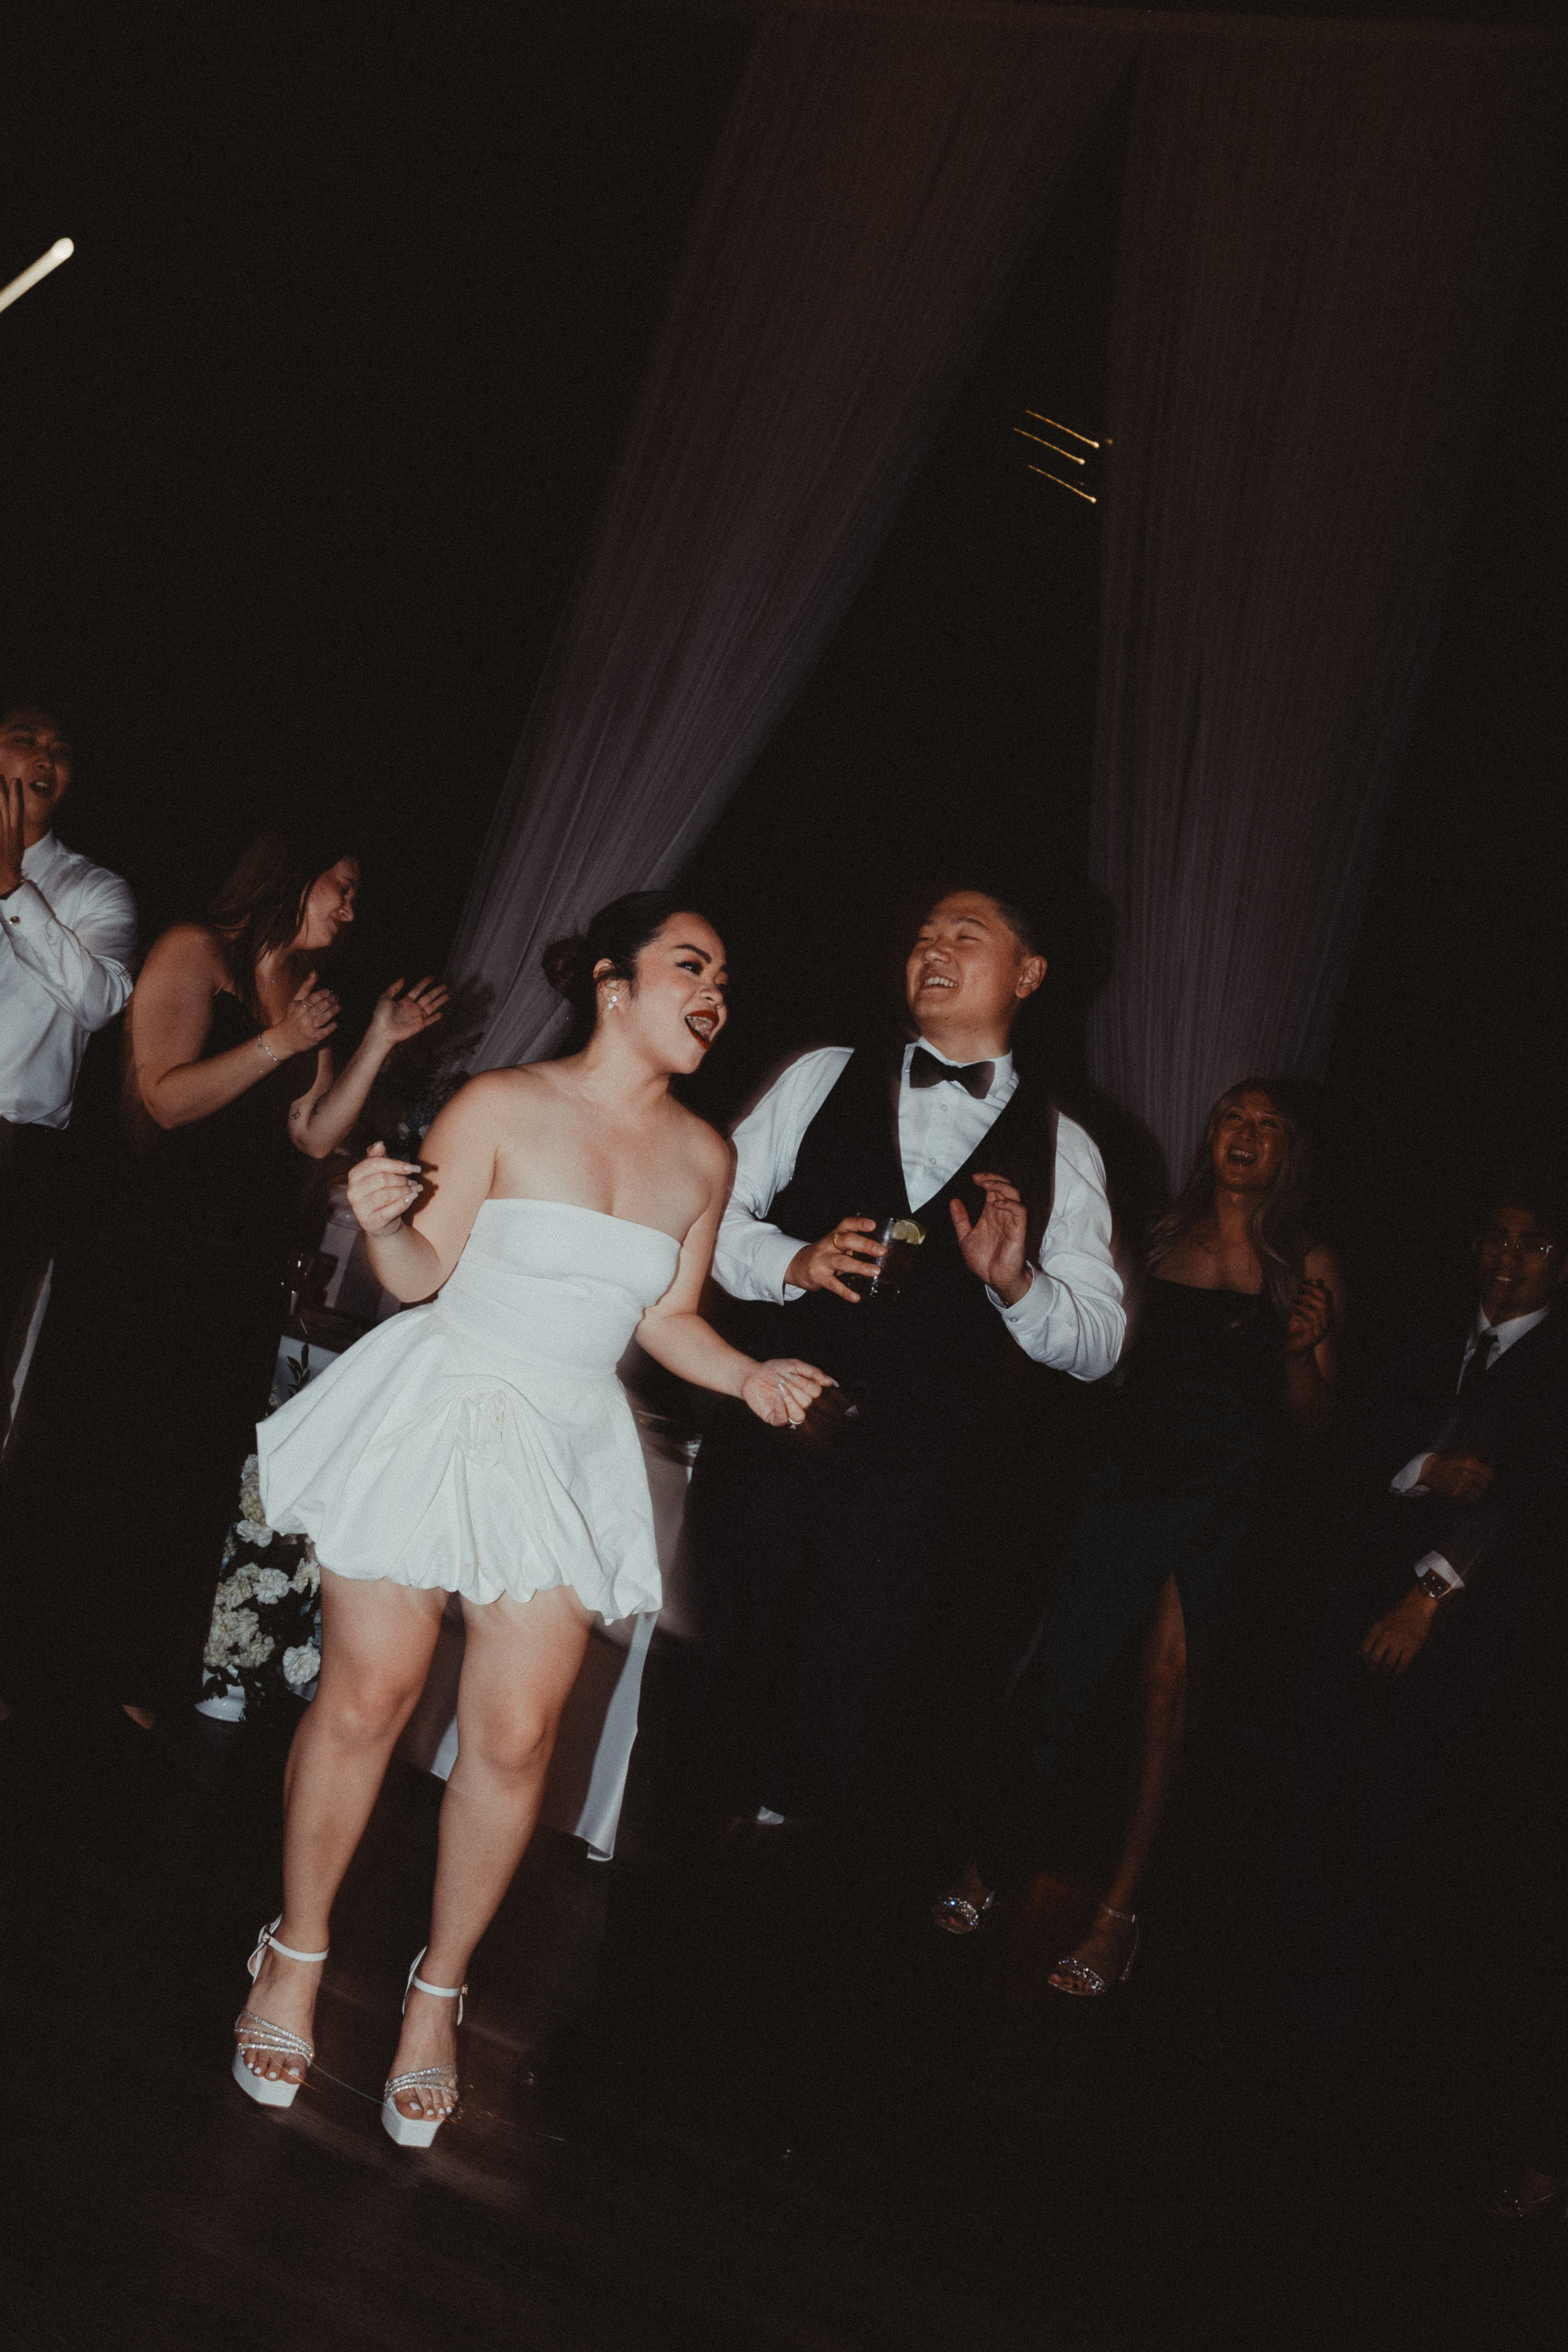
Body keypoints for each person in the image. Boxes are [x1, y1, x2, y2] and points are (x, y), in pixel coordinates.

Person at [238, 892, 831, 2143]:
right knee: (370, 1698)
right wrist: (384, 1223)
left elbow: (668, 1319)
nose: (716, 993)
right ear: (615, 983)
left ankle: (437, 1995)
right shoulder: (501, 1105)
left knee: (514, 1740)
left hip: (567, 1441)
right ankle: (295, 1950)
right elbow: (420, 1274)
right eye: (692, 966)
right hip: (439, 1402)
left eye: (725, 979)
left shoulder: (703, 1157)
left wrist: (752, 1377)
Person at [686, 883, 1124, 1831]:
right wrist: (792, 1262)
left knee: (841, 1732)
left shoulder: (1064, 1145)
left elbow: (1098, 1343)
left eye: (965, 935)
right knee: (708, 1704)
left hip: (916, 1493)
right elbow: (705, 1215)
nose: (933, 948)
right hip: (769, 1442)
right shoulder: (822, 1074)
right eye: (924, 934)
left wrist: (1018, 1286)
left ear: (1028, 974)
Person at [0, 830, 446, 1726]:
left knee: (189, 1468)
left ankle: (134, 1675)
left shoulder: (308, 993)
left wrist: (376, 1040)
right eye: (341, 887)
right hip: (144, 1252)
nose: (350, 909)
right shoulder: (194, 950)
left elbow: (312, 1134)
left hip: (235, 1265)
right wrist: (277, 1041)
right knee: (96, 1453)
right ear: (293, 876)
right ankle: (26, 1667)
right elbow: (165, 1098)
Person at [938, 1081, 1342, 1996]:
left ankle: (1117, 1916)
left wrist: (1297, 1359)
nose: (1245, 1134)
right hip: (1129, 1478)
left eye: (1266, 1125)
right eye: (1232, 1117)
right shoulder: (1158, 1234)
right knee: (1062, 1670)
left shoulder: (1306, 1259)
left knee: (1163, 1699)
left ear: (1289, 1151)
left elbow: (1316, 1424)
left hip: (1223, 1499)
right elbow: (1094, 1348)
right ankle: (992, 1860)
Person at [1278, 1178, 1568, 2060]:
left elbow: (1530, 1502)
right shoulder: (1422, 1333)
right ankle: (1288, 1995)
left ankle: (1363, 2026)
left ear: (1560, 1265)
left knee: (1409, 1821)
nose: (1508, 1259)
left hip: (1473, 1627)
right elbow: (1352, 1443)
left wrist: (1428, 1597)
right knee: (1320, 1794)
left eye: (1531, 1245)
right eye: (1495, 1238)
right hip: (1357, 1599)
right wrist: (1420, 1469)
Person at [0, 702, 136, 1414]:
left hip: (14, 1151)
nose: (46, 758)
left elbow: (102, 1001)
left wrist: (11, 889)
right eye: (26, 740)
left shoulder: (95, 890)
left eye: (61, 749)